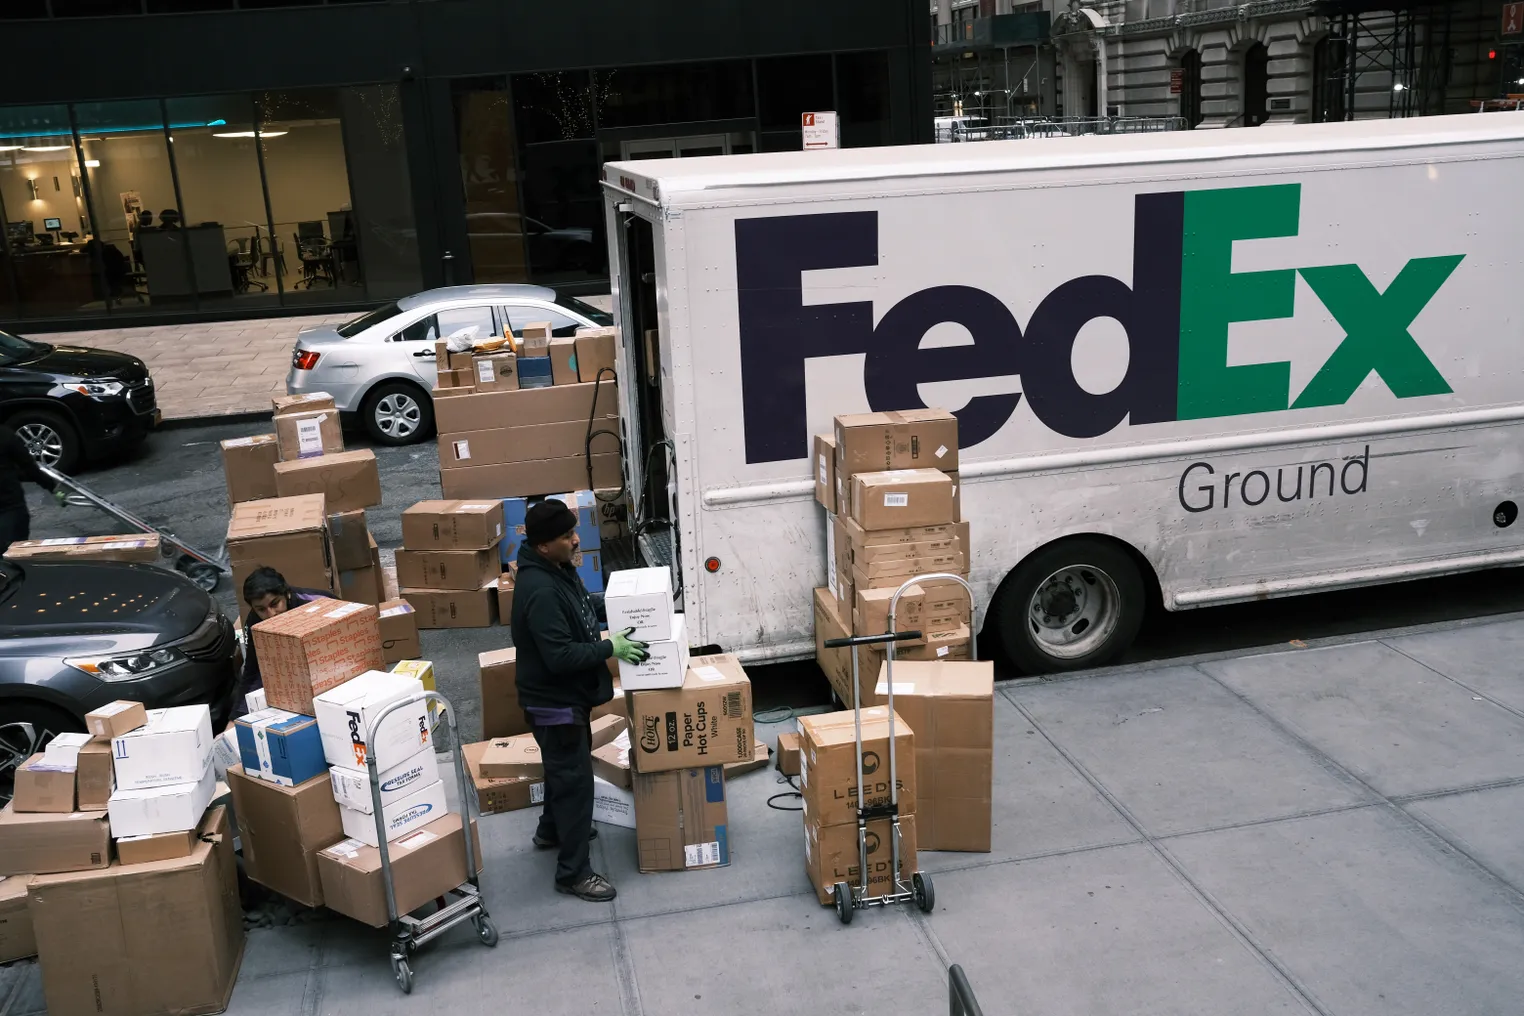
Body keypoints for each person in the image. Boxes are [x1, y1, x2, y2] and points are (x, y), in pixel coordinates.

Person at [512, 500, 648, 902]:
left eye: (574, 531)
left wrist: (615, 605)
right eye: (566, 536)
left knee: (565, 769)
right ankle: (573, 872)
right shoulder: (539, 590)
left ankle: (551, 831)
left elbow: (580, 605)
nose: (576, 540)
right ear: (542, 546)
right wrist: (611, 647)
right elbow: (560, 657)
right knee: (575, 784)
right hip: (553, 704)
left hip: (566, 700)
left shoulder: (556, 569)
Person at [235, 567, 330, 719]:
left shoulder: (319, 603)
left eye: (274, 604)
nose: (270, 614)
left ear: (287, 594)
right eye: (261, 609)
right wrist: (236, 717)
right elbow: (253, 670)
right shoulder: (255, 622)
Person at [0, 425, 65, 550]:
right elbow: (29, 467)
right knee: (14, 554)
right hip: (9, 507)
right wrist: (52, 487)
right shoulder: (4, 435)